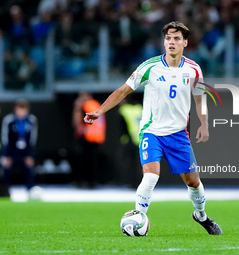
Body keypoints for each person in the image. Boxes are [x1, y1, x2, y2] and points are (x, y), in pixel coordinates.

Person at [84, 21, 223, 235]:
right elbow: (123, 91)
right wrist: (99, 111)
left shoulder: (194, 69)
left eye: (176, 38)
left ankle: (201, 216)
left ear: (185, 42)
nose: (171, 42)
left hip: (178, 135)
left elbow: (199, 100)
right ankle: (138, 219)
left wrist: (204, 123)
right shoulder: (149, 67)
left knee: (193, 182)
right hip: (152, 132)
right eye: (168, 38)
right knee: (150, 176)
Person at [0, 99, 37, 192]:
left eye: (24, 109)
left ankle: (30, 189)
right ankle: (5, 189)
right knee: (6, 166)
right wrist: (6, 155)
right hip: (11, 150)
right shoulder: (9, 120)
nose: (21, 112)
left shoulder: (31, 120)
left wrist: (30, 155)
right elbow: (5, 139)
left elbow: (32, 139)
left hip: (25, 151)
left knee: (29, 166)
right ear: (16, 109)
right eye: (20, 109)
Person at [73, 92, 106, 188]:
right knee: (93, 160)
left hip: (87, 135)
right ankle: (94, 182)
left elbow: (77, 122)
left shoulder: (85, 105)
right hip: (97, 136)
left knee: (85, 160)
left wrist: (77, 107)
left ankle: (85, 181)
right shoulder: (96, 105)